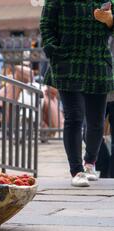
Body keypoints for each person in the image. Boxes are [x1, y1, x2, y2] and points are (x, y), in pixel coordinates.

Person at [40, 1, 114, 187]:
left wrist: (110, 20)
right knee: (74, 117)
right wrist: (53, 50)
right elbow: (46, 24)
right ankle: (76, 170)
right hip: (68, 62)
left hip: (98, 62)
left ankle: (90, 163)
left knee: (96, 121)